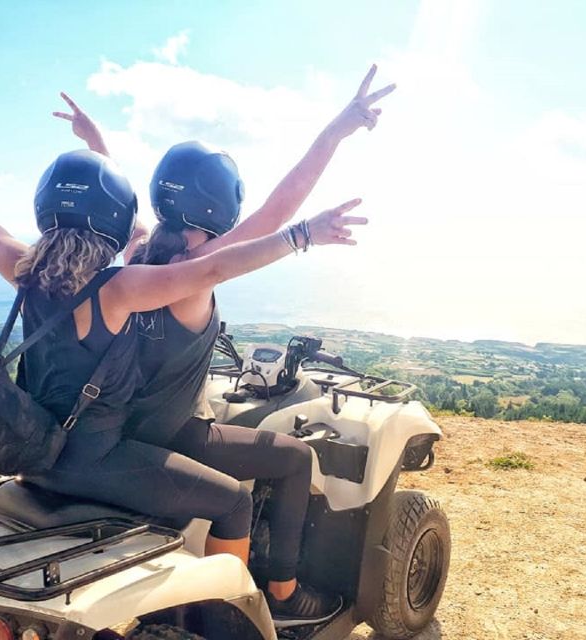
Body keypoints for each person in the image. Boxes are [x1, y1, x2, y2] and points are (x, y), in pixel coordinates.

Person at [0, 136, 366, 626]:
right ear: (114, 220)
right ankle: (227, 620)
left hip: (33, 452)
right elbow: (216, 265)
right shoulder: (117, 289)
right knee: (235, 500)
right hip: (95, 460)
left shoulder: (21, 269)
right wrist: (302, 234)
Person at [56, 65, 394, 626]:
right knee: (295, 458)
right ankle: (280, 595)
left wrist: (96, 144)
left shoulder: (138, 257)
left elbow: (135, 206)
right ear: (221, 206)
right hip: (175, 435)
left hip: (114, 431)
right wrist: (335, 132)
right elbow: (276, 215)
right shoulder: (195, 270)